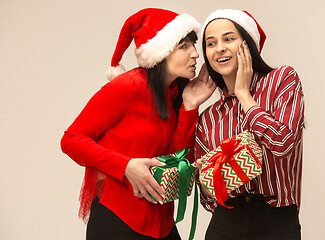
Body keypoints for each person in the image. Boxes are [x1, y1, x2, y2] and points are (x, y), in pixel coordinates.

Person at [61, 8, 215, 240]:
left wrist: (190, 105)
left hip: (161, 223)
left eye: (193, 46)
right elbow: (71, 140)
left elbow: (177, 160)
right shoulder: (128, 86)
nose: (195, 54)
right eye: (184, 46)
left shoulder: (176, 93)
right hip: (117, 219)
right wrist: (126, 167)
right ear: (161, 53)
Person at [195, 9, 304, 240]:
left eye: (229, 39)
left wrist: (244, 95)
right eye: (210, 43)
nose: (220, 48)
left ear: (248, 44)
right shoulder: (208, 118)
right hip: (226, 222)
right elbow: (208, 198)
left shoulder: (282, 80)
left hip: (277, 218)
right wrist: (208, 176)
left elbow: (283, 144)